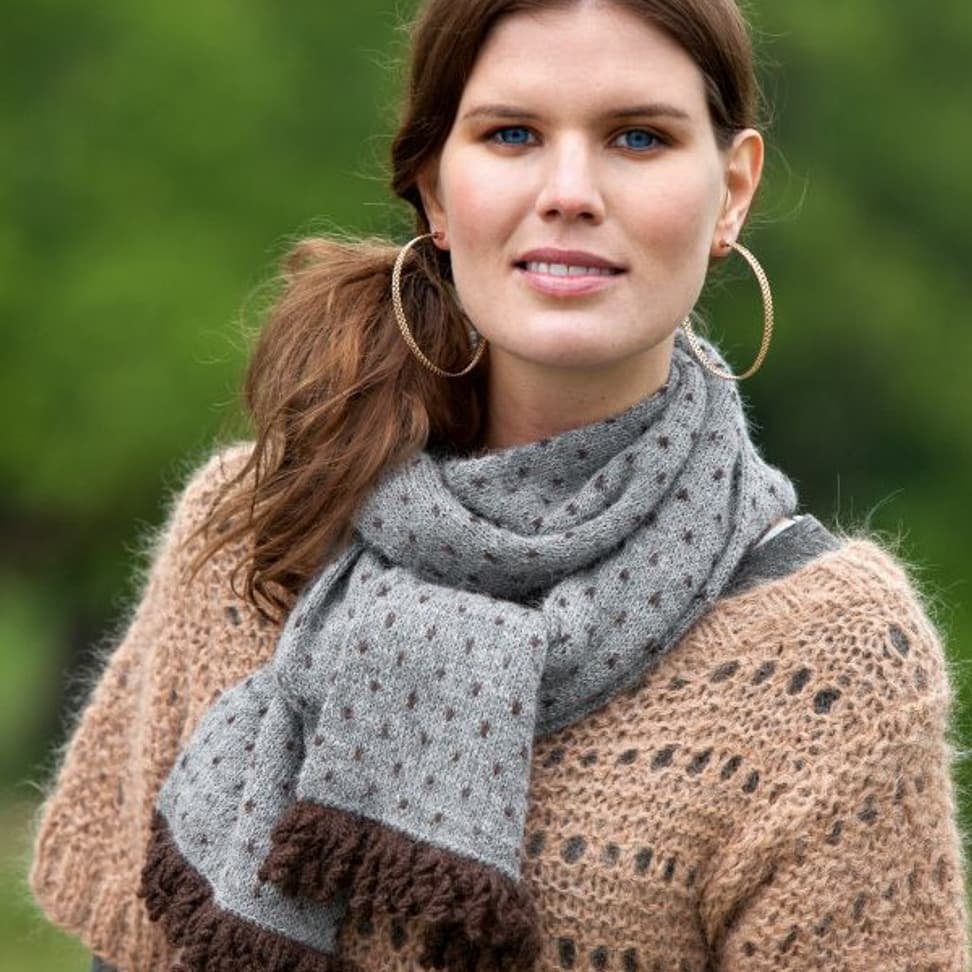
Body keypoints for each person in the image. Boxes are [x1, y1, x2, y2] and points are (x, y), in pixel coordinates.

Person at [30, 0, 969, 969]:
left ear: (731, 192)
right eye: (512, 134)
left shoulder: (827, 663)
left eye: (638, 138)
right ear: (435, 187)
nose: (570, 192)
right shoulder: (257, 530)